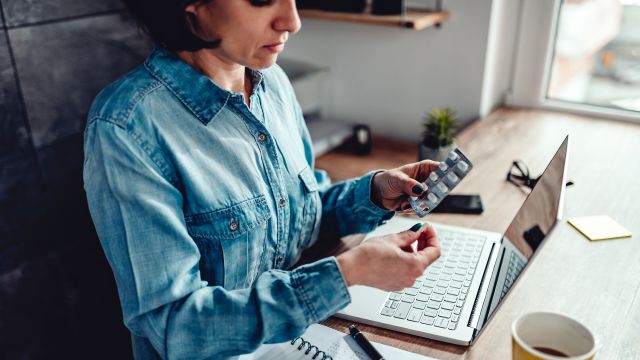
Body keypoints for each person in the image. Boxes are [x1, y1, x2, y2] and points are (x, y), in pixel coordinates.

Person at [82, 0, 442, 358]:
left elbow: (304, 215)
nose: (293, 21)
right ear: (191, 9)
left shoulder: (273, 82)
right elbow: (177, 328)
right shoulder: (126, 127)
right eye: (262, 1)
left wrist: (374, 194)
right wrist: (347, 274)